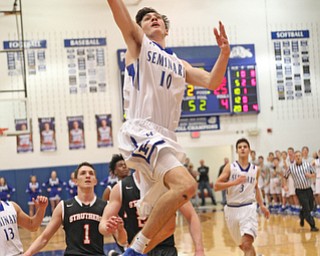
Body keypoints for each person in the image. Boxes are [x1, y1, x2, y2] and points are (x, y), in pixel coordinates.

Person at [106, 2, 230, 255]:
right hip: (142, 130)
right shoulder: (139, 46)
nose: (153, 19)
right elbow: (121, 17)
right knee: (187, 185)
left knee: (167, 226)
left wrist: (224, 53)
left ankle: (129, 251)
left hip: (165, 136)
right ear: (139, 28)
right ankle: (134, 251)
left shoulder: (179, 63)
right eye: (147, 18)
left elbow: (211, 81)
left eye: (157, 17)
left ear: (166, 28)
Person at [99, 169, 204, 256]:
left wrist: (199, 250)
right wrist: (107, 227)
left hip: (164, 249)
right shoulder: (120, 187)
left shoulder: (167, 184)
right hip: (136, 249)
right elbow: (103, 224)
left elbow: (191, 215)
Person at [24, 162, 112, 256]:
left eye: (91, 173)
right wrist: (27, 254)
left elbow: (121, 240)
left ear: (95, 181)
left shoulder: (106, 206)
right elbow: (44, 238)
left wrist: (119, 227)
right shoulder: (64, 207)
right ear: (75, 181)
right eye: (83, 173)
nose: (87, 176)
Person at [214, 138, 270, 256]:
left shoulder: (256, 169)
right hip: (231, 209)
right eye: (240, 147)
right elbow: (216, 186)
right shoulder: (230, 167)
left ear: (249, 150)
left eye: (245, 146)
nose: (242, 149)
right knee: (242, 245)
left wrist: (262, 205)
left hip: (248, 208)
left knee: (246, 244)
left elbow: (256, 187)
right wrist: (235, 182)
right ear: (237, 151)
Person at [283, 151, 319, 232]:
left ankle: (302, 215)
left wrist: (310, 175)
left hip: (308, 189)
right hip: (299, 191)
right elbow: (284, 176)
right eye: (296, 156)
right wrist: (285, 185)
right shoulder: (291, 167)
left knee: (311, 207)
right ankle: (312, 226)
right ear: (294, 158)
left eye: (299, 156)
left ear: (301, 156)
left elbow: (315, 174)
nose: (298, 157)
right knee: (306, 208)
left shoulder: (307, 164)